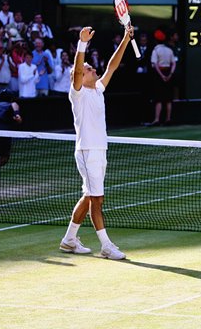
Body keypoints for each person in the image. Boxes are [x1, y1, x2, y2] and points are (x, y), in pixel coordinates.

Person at [59, 25, 133, 260]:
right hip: (87, 151)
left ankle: (69, 239)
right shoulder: (77, 92)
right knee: (97, 199)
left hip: (100, 150)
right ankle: (106, 246)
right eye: (89, 69)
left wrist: (125, 38)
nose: (93, 70)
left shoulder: (98, 90)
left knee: (90, 196)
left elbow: (112, 65)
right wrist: (82, 45)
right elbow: (78, 70)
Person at [146, 29, 176, 126]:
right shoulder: (169, 50)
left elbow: (154, 64)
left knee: (158, 98)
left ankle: (157, 119)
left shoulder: (156, 50)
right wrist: (170, 74)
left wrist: (162, 75)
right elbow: (174, 63)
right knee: (168, 98)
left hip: (159, 75)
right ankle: (168, 119)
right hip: (168, 73)